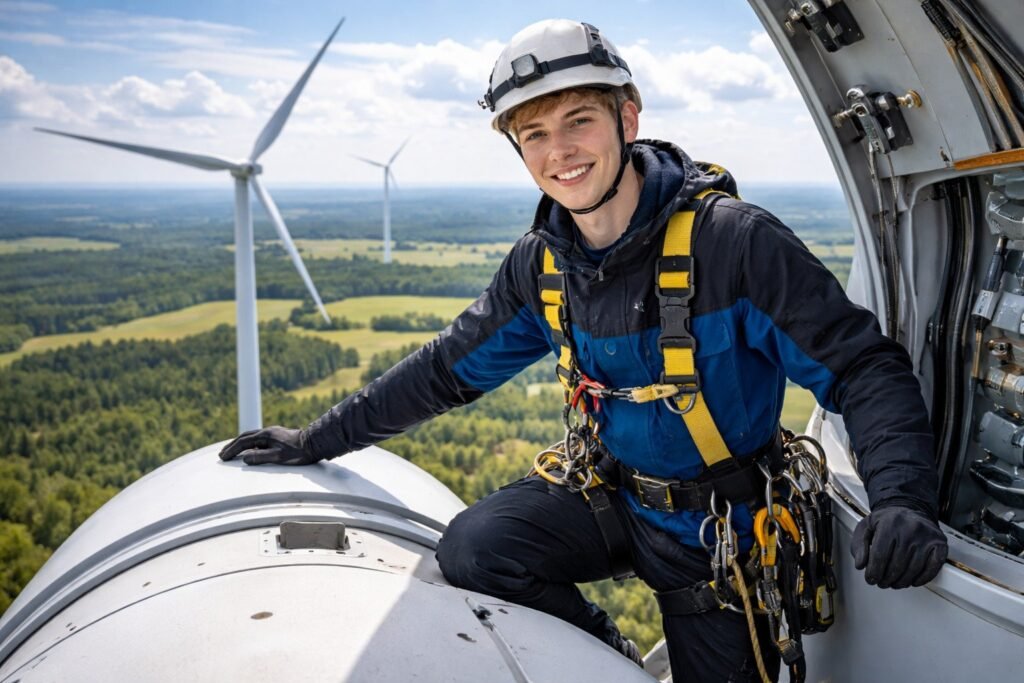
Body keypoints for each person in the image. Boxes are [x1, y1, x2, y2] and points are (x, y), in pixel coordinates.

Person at [219, 19, 948, 682]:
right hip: (613, 492)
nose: (559, 152)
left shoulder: (734, 245)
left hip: (717, 533)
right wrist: (318, 439)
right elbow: (446, 371)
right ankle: (611, 658)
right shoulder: (544, 265)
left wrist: (902, 497)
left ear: (626, 118)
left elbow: (860, 365)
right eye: (533, 135)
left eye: (578, 121)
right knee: (476, 549)